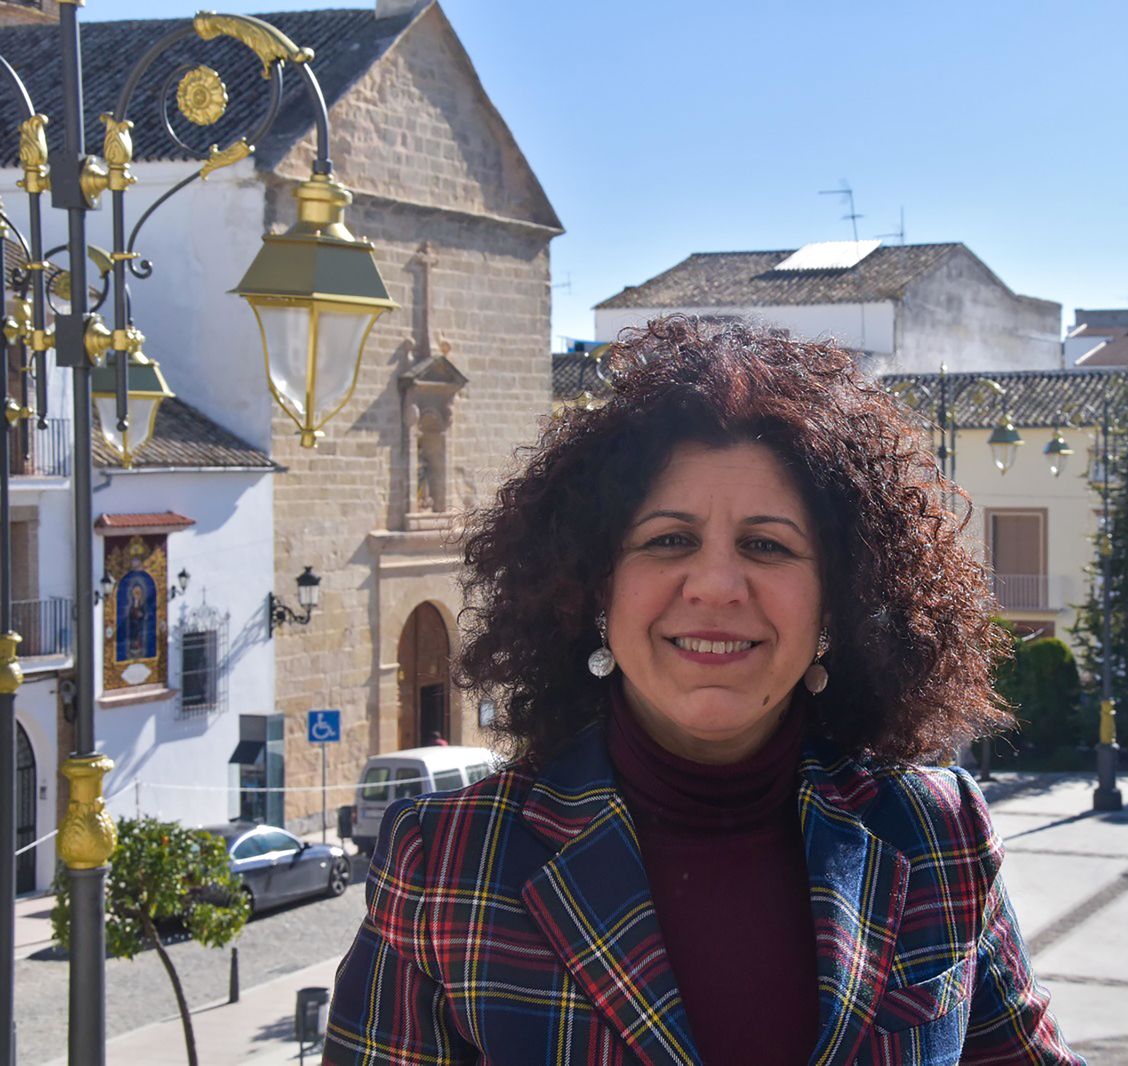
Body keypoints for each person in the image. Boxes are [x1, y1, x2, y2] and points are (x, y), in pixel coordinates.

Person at [323, 317, 1082, 1065]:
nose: (717, 584)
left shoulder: (936, 832)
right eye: (669, 540)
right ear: (594, 590)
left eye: (767, 545)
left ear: (836, 603)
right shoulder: (449, 860)